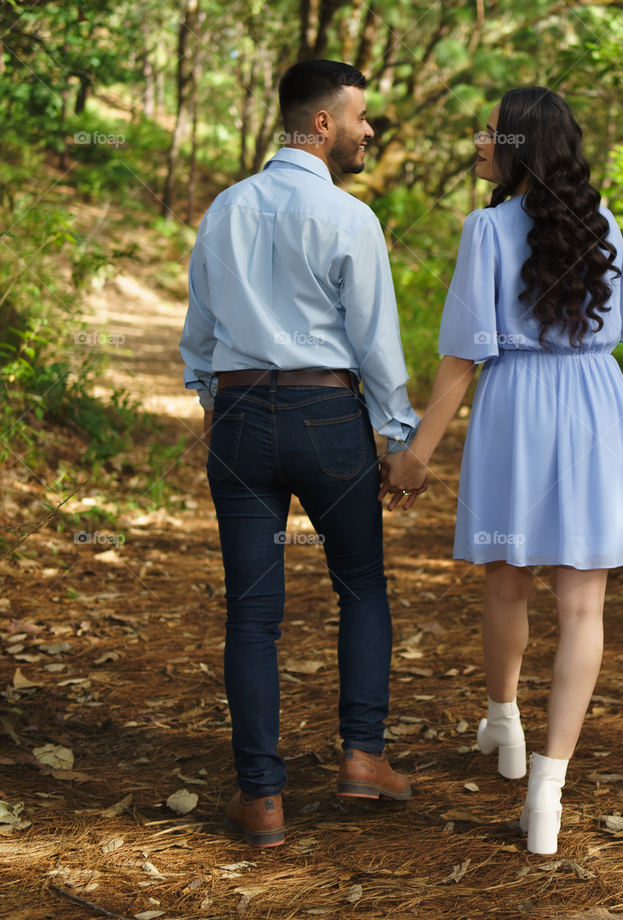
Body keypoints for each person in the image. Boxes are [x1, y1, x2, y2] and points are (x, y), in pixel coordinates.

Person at [379, 85, 623, 856]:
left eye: (488, 131)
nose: (477, 141)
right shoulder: (607, 228)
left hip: (518, 408)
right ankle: (548, 792)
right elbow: (615, 331)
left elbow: (462, 358)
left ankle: (504, 718)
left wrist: (416, 456)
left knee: (506, 579)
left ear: (519, 146)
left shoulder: (486, 229)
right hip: (597, 403)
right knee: (583, 609)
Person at [180, 58, 425, 849]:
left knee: (252, 614)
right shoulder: (350, 219)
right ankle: (363, 757)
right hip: (328, 417)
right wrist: (397, 433)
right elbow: (376, 342)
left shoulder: (225, 208)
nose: (369, 131)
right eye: (361, 118)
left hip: (244, 414)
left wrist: (213, 399)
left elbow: (200, 334)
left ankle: (262, 800)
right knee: (360, 586)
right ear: (323, 123)